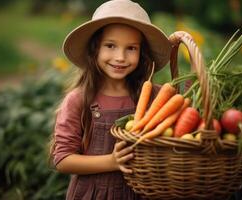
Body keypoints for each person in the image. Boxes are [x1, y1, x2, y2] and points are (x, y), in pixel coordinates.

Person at [50, 0, 171, 199]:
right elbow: (63, 160)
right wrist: (111, 161)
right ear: (94, 49)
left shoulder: (153, 96)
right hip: (93, 193)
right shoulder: (79, 100)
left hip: (142, 193)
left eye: (131, 48)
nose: (120, 57)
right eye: (110, 45)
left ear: (142, 54)